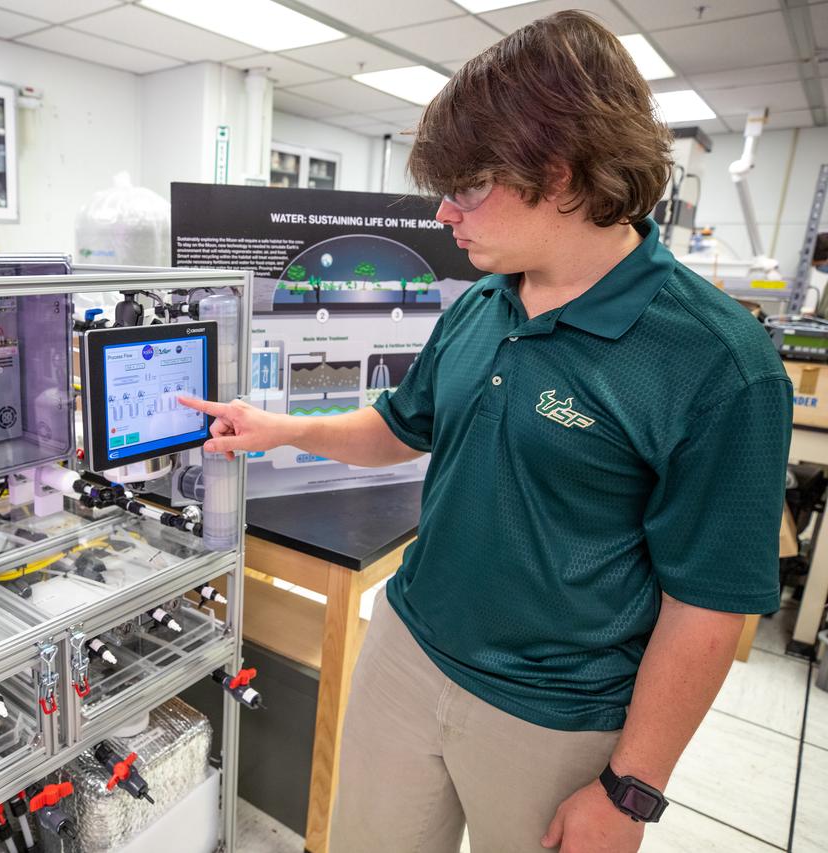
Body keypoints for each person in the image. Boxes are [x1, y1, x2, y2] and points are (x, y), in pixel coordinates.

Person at [180, 11, 792, 853]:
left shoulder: (718, 362)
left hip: (554, 713)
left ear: (559, 173)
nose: (443, 212)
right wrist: (276, 426)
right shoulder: (482, 301)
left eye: (467, 187)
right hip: (407, 650)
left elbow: (710, 605)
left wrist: (630, 790)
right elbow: (401, 426)